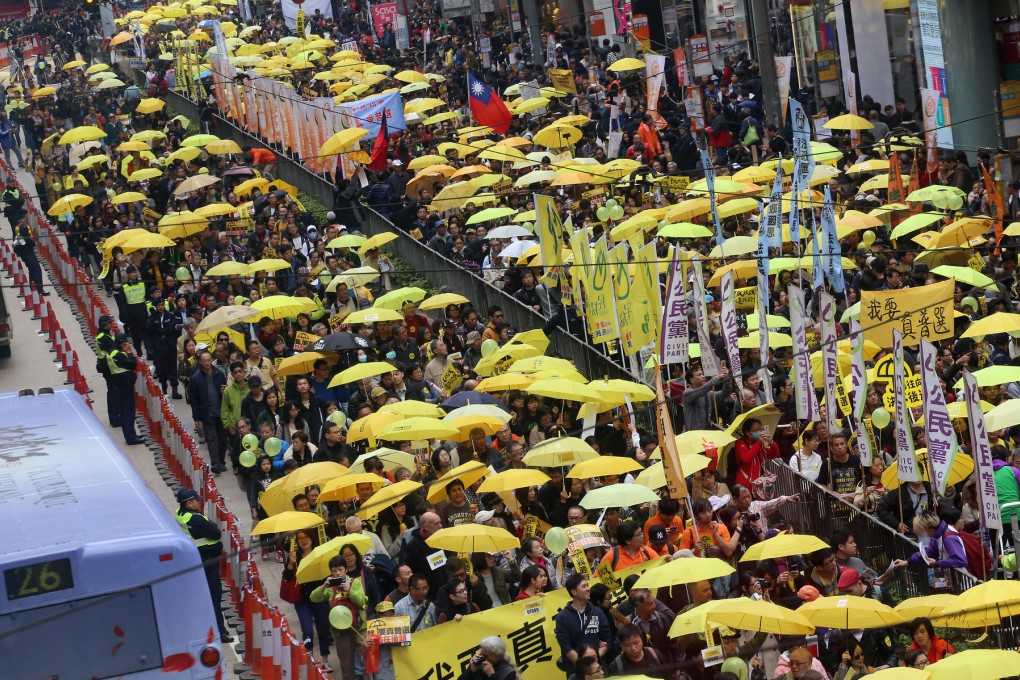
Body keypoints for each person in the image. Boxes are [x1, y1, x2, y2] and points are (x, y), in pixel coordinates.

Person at [175, 488, 231, 643]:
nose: (200, 502)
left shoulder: (180, 514)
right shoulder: (195, 519)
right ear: (189, 503)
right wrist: (217, 546)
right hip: (207, 560)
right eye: (197, 500)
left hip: (196, 558)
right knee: (214, 596)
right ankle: (220, 632)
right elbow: (216, 533)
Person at [310, 554, 367, 679]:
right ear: (331, 572)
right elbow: (313, 598)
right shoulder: (329, 587)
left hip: (358, 626)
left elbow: (361, 601)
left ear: (346, 569)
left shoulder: (354, 582)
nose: (338, 573)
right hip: (340, 629)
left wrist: (349, 590)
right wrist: (324, 586)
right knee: (345, 662)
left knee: (364, 658)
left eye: (341, 569)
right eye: (334, 571)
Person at [554, 574, 611, 672]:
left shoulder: (597, 611)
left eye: (587, 585)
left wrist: (595, 658)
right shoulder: (562, 617)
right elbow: (566, 647)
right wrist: (585, 665)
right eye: (584, 586)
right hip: (576, 671)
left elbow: (607, 639)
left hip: (598, 669)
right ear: (574, 592)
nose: (588, 589)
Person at [190, 350, 229, 474]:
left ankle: (221, 461)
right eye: (204, 361)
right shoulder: (196, 378)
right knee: (211, 439)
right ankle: (215, 464)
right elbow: (194, 399)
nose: (207, 363)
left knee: (222, 438)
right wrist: (196, 417)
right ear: (200, 362)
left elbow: (225, 392)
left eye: (209, 360)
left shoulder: (219, 374)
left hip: (220, 411)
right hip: (207, 413)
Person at [107, 332, 144, 445]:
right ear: (122, 343)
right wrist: (129, 353)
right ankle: (131, 437)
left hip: (119, 385)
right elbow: (133, 364)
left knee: (124, 412)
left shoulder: (112, 352)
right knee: (128, 412)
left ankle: (130, 434)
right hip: (125, 387)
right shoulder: (119, 355)